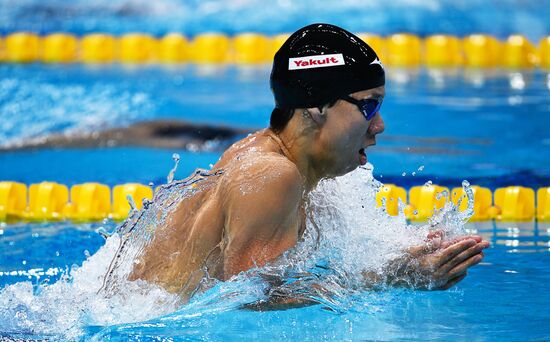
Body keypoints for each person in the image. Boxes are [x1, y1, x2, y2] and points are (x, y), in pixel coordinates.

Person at [126, 23, 490, 305]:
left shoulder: (277, 160)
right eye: (369, 105)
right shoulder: (272, 173)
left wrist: (400, 255)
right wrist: (393, 277)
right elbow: (248, 297)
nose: (379, 125)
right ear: (317, 109)